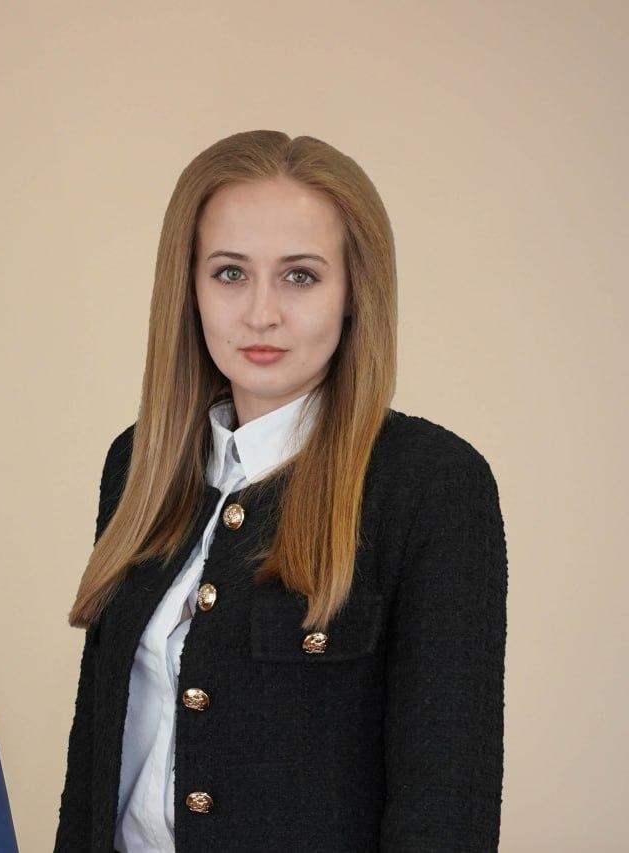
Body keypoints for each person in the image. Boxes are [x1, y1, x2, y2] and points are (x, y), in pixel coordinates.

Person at [54, 130, 508, 851]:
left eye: (300, 276)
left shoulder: (430, 485)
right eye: (230, 272)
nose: (260, 313)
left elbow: (446, 806)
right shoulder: (139, 461)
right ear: (189, 286)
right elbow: (91, 772)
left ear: (354, 292)